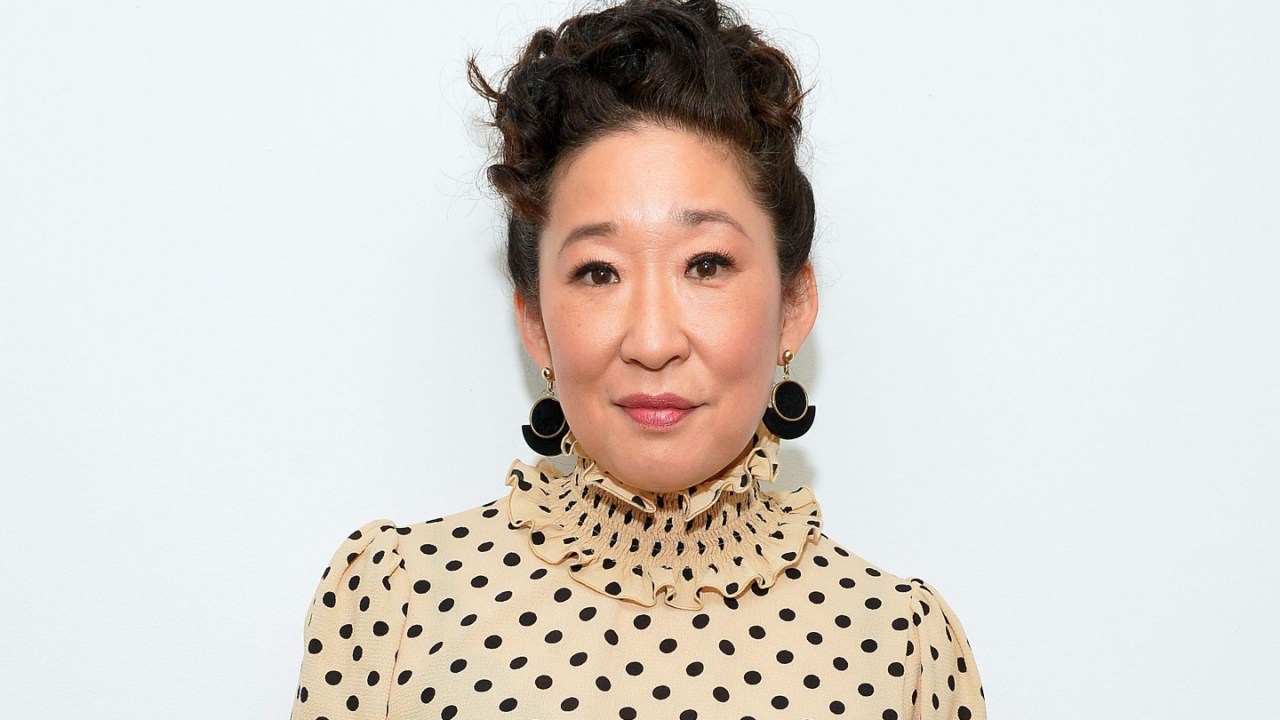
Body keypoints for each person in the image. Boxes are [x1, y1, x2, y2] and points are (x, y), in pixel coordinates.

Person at [290, 1, 986, 718]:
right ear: (535, 322)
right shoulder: (397, 600)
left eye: (707, 264)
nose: (653, 342)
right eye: (599, 272)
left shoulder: (902, 646)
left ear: (792, 309)